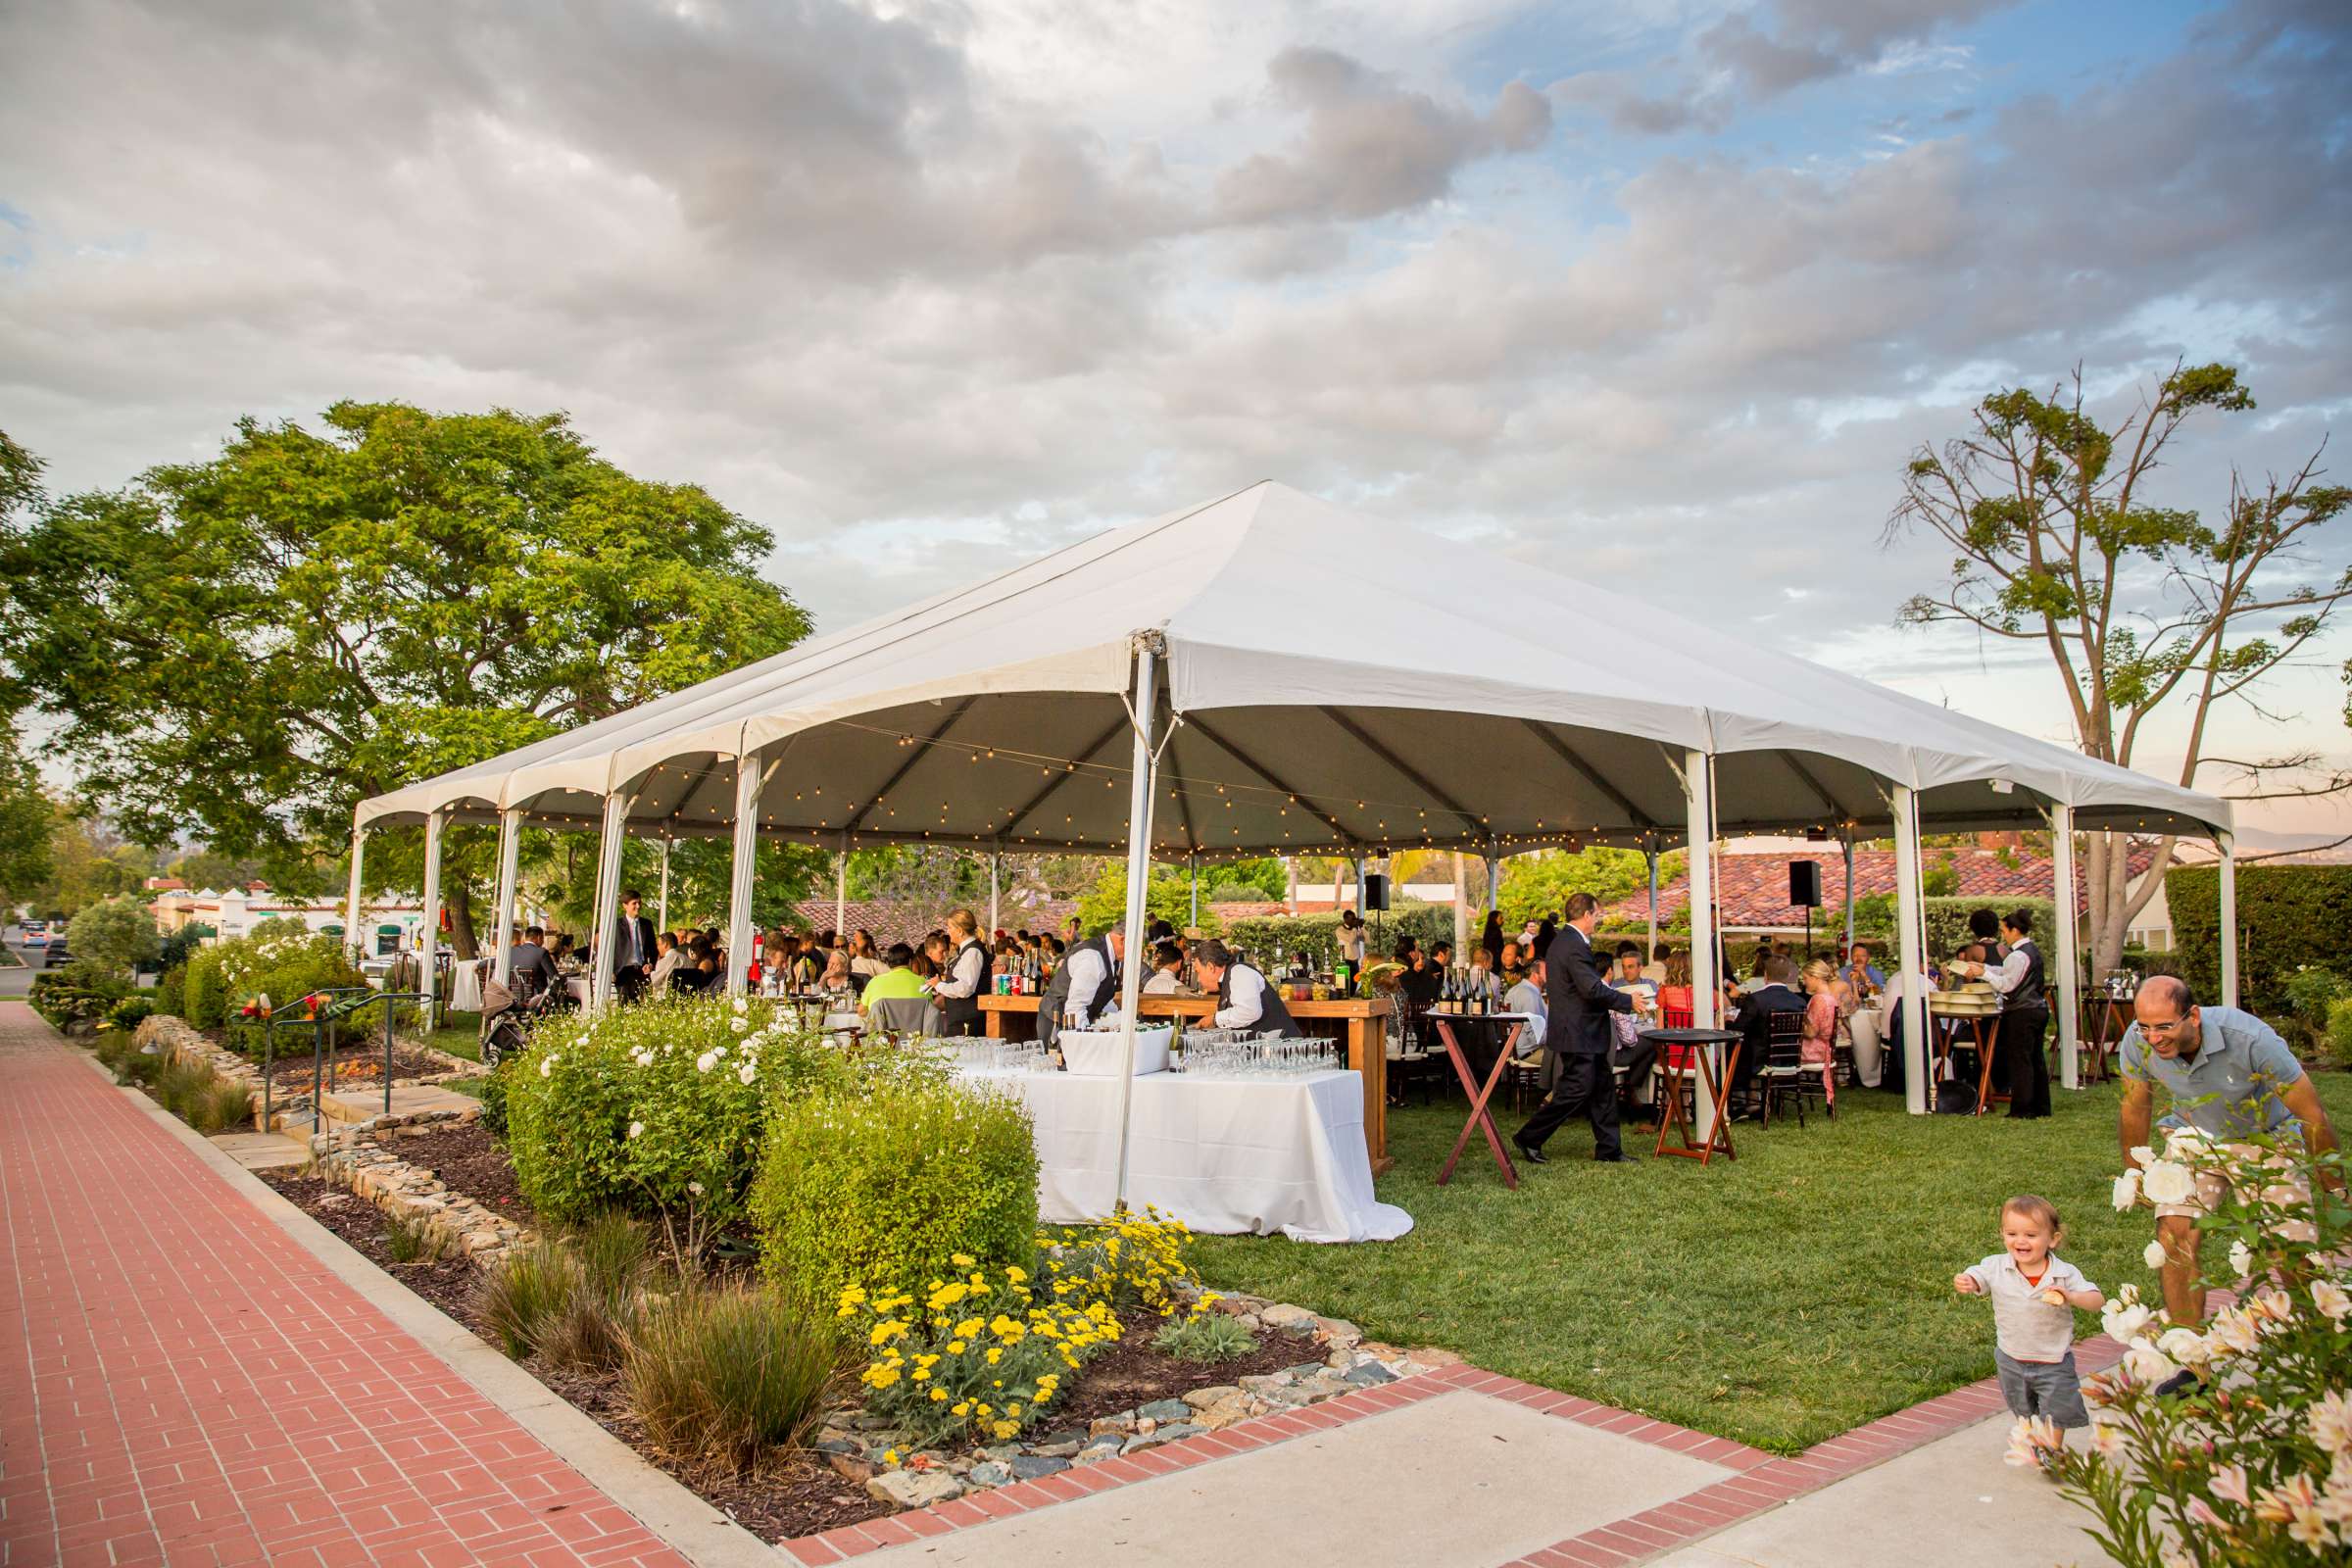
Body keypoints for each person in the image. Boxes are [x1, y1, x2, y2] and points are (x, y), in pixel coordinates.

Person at [2117, 975, 2339, 1338]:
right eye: (2144, 1027)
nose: (2153, 1038)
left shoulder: (2251, 1039)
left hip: (2266, 1139)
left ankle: (2320, 1343)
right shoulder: (2138, 1041)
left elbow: (2311, 1115)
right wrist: (2133, 1171)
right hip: (2194, 1134)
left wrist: (2335, 1190)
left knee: (2286, 1248)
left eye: (2164, 1027)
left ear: (2193, 1016)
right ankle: (2194, 1358)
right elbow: (2135, 1105)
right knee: (2173, 1235)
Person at [1953, 1195, 2103, 1445]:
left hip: (2053, 1358)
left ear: (2052, 1239)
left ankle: (2052, 1451)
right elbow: (1978, 1274)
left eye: (2031, 1235)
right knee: (2023, 1409)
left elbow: (2097, 1300)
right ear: (2002, 1234)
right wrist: (1968, 1281)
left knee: (2056, 1410)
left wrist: (2072, 1296)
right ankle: (2034, 1441)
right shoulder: (1996, 1266)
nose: (2020, 1241)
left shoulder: (2063, 1274)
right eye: (2012, 1234)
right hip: (2011, 1356)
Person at [1513, 893, 1638, 1165]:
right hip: (1579, 1030)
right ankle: (1530, 1136)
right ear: (1587, 915)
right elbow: (1590, 988)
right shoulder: (1572, 945)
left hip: (1584, 1030)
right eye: (1597, 915)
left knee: (1603, 1089)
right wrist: (1628, 1001)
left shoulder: (1567, 942)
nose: (1598, 920)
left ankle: (1609, 1148)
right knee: (1574, 1090)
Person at [1950, 908, 2051, 1119]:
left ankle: (2022, 1109)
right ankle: (2041, 1106)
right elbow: (2006, 972)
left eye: (2005, 930)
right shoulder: (2029, 951)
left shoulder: (2019, 955)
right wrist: (1984, 967)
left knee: (2020, 1060)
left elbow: (2007, 985)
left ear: (2015, 930)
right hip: (2037, 1008)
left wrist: (1984, 973)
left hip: (2023, 1011)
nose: (2003, 935)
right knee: (2035, 1060)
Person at [1727, 955, 1808, 1108]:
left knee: (1733, 1047)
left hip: (1760, 1059)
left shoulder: (1756, 999)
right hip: (1790, 1057)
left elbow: (1739, 1029)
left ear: (1765, 975)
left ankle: (1737, 1097)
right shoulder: (1799, 1001)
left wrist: (1729, 1021)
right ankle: (1753, 1097)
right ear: (1787, 975)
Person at [1190, 939, 1301, 1036]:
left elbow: (1250, 1011)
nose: (1198, 979)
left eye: (1198, 971)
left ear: (1210, 967)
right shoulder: (1229, 978)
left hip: (1281, 1052)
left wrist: (1215, 1020)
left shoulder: (1239, 972)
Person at [1038, 926, 1125, 1049]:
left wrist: (1117, 1021)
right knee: (1056, 1065)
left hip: (1076, 1019)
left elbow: (1103, 995)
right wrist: (1082, 1044)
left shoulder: (1113, 956)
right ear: (1123, 939)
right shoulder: (1092, 957)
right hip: (1057, 1021)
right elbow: (1076, 1006)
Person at [932, 908, 992, 1037]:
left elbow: (965, 988)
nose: (948, 931)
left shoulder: (972, 952)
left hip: (968, 1021)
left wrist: (939, 985)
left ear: (959, 931)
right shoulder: (967, 951)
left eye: (949, 927)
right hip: (962, 1020)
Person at [1797, 957, 1840, 1110]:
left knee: (1775, 1050)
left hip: (1814, 1050)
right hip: (1825, 1048)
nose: (1805, 982)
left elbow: (1811, 1032)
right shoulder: (1832, 998)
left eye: (1806, 978)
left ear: (1815, 978)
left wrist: (1797, 1024)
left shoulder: (1819, 1000)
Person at [611, 891, 658, 1001]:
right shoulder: (616, 925)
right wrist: (611, 970)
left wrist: (651, 964)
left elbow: (653, 949)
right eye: (634, 903)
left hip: (642, 971)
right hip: (623, 973)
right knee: (625, 1006)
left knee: (644, 1008)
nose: (638, 906)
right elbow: (610, 950)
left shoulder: (647, 924)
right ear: (625, 905)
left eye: (639, 903)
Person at [860, 943, 926, 1004]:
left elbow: (861, 1011)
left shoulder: (874, 982)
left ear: (888, 963)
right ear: (910, 962)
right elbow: (928, 1007)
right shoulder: (924, 983)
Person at [507, 924, 560, 999]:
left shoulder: (511, 951)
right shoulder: (541, 952)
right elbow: (554, 977)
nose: (543, 941)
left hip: (513, 997)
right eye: (542, 939)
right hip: (538, 997)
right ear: (538, 937)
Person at [645, 931, 684, 996]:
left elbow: (653, 982)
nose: (657, 947)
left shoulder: (664, 962)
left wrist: (649, 971)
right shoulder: (689, 960)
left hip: (666, 1000)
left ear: (665, 944)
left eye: (658, 944)